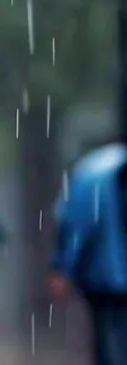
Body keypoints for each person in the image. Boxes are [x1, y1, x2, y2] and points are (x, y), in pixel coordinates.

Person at [49, 143, 127, 365]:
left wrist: (63, 267)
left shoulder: (94, 174)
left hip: (107, 277)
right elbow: (78, 227)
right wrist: (63, 268)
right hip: (108, 277)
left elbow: (75, 226)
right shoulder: (100, 177)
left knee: (110, 341)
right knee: (111, 339)